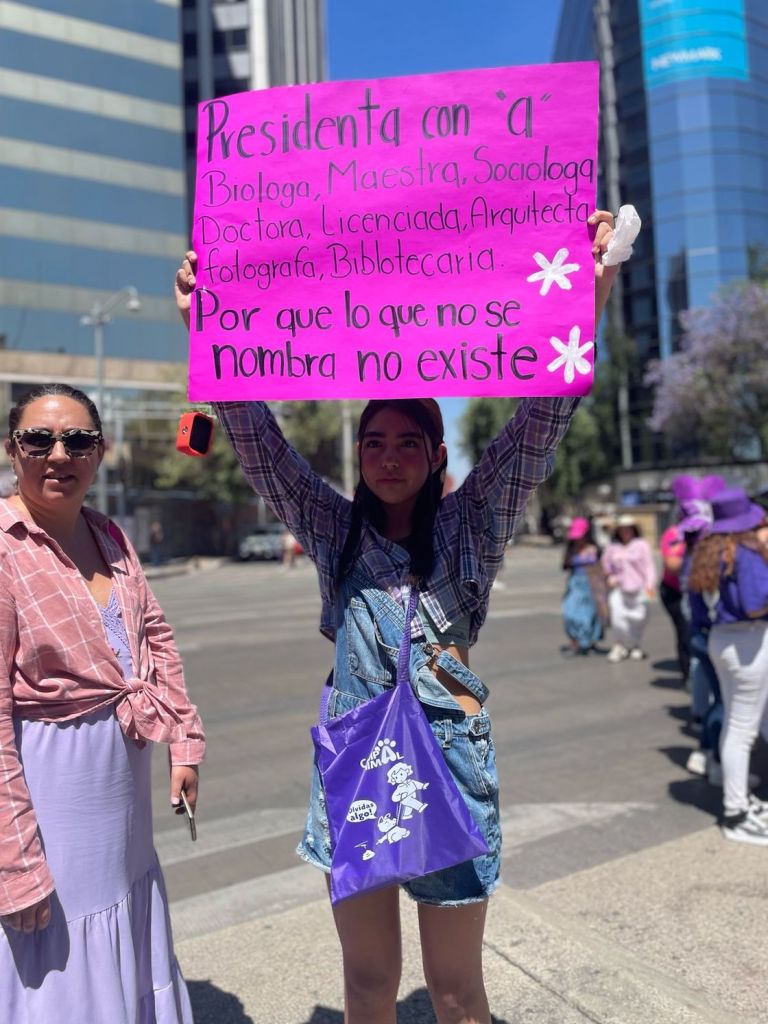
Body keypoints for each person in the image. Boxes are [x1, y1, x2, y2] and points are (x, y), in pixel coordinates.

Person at [175, 209, 620, 1024]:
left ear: (436, 454)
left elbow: (539, 423)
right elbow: (257, 442)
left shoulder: (472, 524)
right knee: (369, 987)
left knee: (455, 993)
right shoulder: (330, 526)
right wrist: (208, 327)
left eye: (407, 441)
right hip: (355, 772)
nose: (386, 456)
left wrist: (588, 296)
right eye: (373, 441)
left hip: (449, 765)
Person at [0, 384, 204, 1022]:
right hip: (51, 793)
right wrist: (16, 862)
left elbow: (156, 640)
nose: (59, 454)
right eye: (40, 439)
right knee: (63, 954)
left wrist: (182, 741)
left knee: (124, 923)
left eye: (79, 440)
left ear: (100, 452)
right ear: (14, 451)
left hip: (122, 793)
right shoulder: (3, 549)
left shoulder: (109, 534)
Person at [687, 488, 768, 845]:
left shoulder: (705, 552)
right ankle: (736, 812)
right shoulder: (744, 552)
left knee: (736, 725)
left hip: (721, 639)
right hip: (748, 640)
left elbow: (697, 610)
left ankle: (740, 804)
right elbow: (755, 604)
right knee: (743, 728)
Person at [601, 514, 657, 663]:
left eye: (628, 529)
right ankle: (619, 645)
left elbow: (649, 567)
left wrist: (650, 586)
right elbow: (606, 566)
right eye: (622, 529)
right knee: (618, 618)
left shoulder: (641, 545)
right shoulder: (612, 547)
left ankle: (635, 645)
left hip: (639, 588)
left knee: (639, 618)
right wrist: (610, 578)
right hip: (619, 588)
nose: (625, 532)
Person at [561, 517, 607, 656]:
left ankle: (589, 643)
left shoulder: (595, 549)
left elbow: (603, 567)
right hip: (575, 583)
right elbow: (565, 565)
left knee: (590, 615)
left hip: (592, 583)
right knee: (570, 612)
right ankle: (576, 640)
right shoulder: (572, 549)